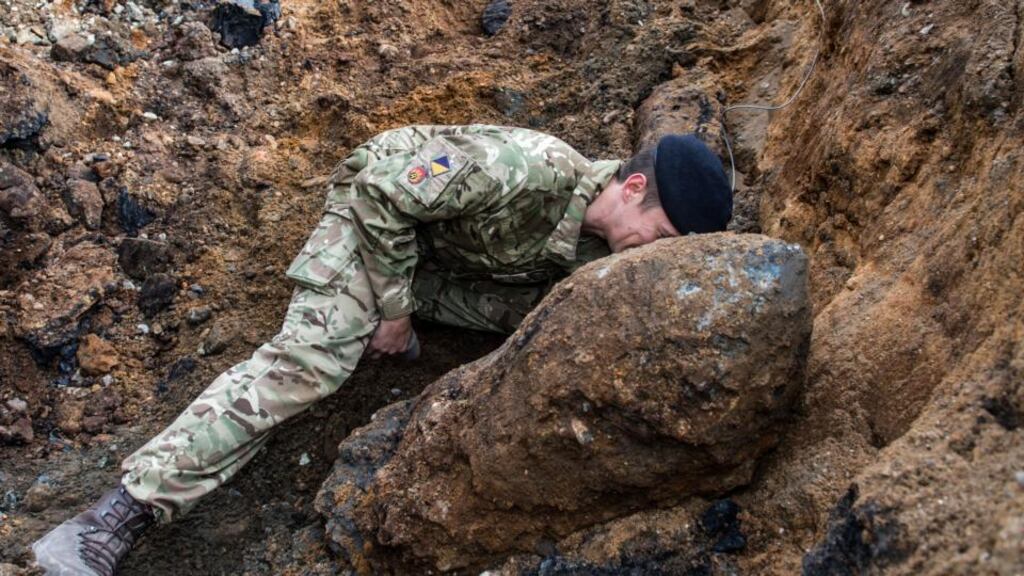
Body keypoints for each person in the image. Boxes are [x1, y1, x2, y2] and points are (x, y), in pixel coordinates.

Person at [31, 124, 732, 575]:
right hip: (374, 214)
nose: (655, 259)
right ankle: (112, 517)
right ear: (633, 189)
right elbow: (381, 196)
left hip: (443, 257)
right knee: (315, 363)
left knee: (544, 319)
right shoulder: (525, 169)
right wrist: (393, 313)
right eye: (663, 237)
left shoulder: (599, 252)